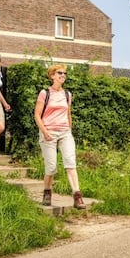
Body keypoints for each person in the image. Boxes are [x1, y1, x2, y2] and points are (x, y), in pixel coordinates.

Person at [34, 64, 86, 209]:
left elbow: (68, 114)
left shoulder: (67, 94)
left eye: (64, 73)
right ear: (52, 75)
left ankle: (77, 196)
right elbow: (37, 115)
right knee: (51, 167)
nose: (63, 75)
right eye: (59, 73)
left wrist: (69, 131)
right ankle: (47, 192)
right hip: (48, 131)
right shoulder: (45, 93)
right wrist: (45, 132)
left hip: (65, 133)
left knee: (70, 163)